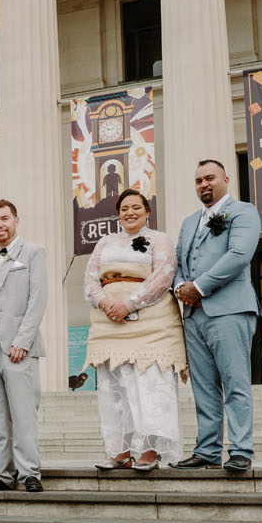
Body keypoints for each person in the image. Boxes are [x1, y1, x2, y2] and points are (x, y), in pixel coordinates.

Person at [84, 190, 188, 472]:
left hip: (151, 324)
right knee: (114, 389)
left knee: (150, 385)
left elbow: (163, 276)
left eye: (136, 207)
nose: (130, 212)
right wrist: (106, 302)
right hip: (110, 324)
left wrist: (129, 304)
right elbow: (90, 279)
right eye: (124, 208)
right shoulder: (105, 242)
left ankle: (151, 450)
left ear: (147, 211)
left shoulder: (160, 239)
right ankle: (120, 451)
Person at [172, 158, 261, 474]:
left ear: (226, 180)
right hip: (193, 316)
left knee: (235, 382)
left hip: (230, 310)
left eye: (209, 178)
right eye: (198, 180)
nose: (204, 184)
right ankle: (207, 451)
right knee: (203, 387)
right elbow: (179, 263)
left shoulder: (243, 212)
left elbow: (238, 255)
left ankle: (240, 450)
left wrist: (198, 287)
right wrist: (180, 287)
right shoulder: (189, 222)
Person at [0, 200, 48, 492]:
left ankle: (29, 472)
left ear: (16, 219)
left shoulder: (33, 252)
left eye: (4, 218)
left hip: (17, 347)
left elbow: (37, 299)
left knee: (23, 413)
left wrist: (23, 341)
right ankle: (2, 473)